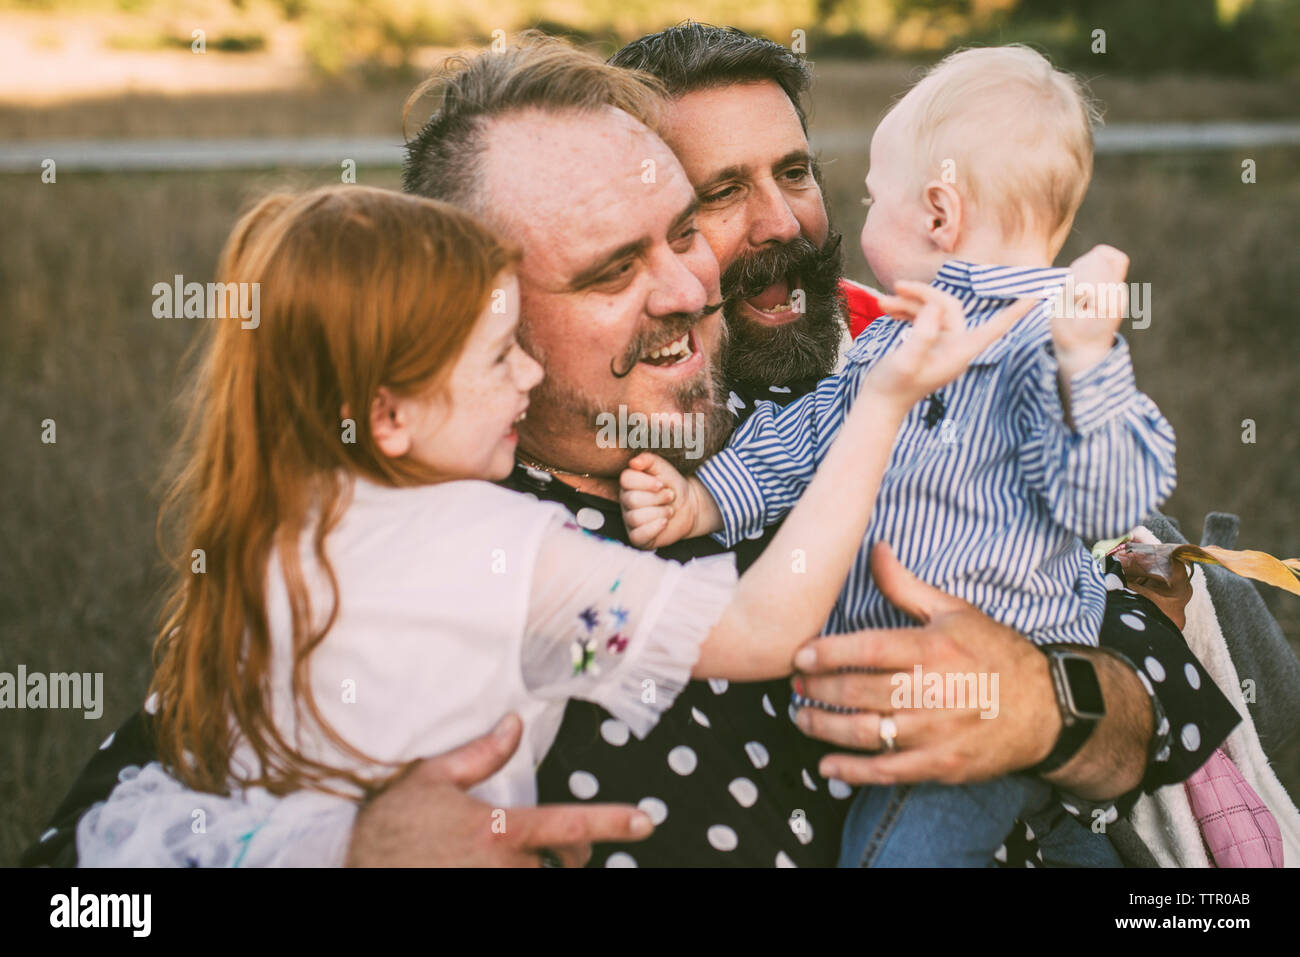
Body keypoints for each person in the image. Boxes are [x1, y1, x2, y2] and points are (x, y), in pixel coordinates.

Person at [25, 32, 1238, 869]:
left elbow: (1160, 644)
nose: (695, 284)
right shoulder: (402, 550)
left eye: (679, 231)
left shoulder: (814, 415)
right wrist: (339, 853)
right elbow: (84, 885)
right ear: (465, 311)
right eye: (611, 268)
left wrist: (1055, 708)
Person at [618, 46, 1181, 866]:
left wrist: (1041, 700)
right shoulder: (874, 357)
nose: (782, 221)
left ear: (941, 213)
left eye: (797, 171)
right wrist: (701, 502)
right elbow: (804, 437)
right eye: (723, 190)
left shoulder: (1008, 348)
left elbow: (1135, 605)